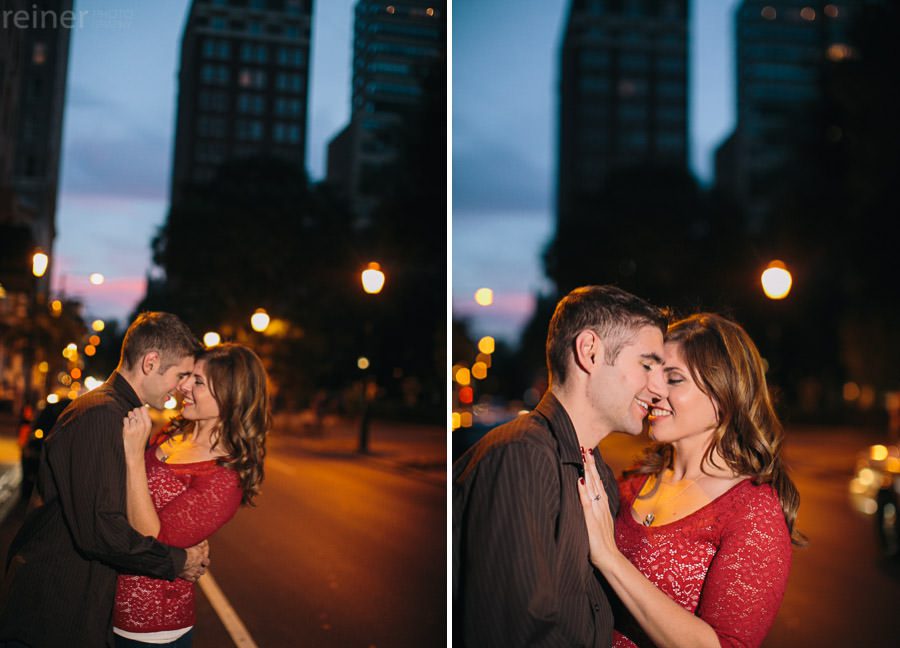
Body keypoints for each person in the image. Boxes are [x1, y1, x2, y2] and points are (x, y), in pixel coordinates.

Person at [453, 285, 669, 647]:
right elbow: (516, 634)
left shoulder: (596, 472)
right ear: (590, 352)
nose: (659, 389)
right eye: (646, 365)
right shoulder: (522, 457)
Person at [578, 313, 804, 648]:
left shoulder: (754, 512)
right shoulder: (631, 483)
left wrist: (610, 559)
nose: (653, 389)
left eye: (674, 379)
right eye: (651, 374)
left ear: (722, 395)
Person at [0, 312, 209, 648]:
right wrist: (177, 561)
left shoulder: (122, 414)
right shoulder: (102, 415)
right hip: (53, 614)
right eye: (181, 374)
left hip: (71, 611)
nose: (183, 386)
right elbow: (101, 531)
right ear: (151, 362)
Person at [112, 343, 270, 647]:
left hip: (149, 626)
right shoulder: (174, 432)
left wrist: (133, 455)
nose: (183, 386)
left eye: (197, 381)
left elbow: (152, 541)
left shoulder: (223, 477)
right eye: (187, 377)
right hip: (104, 603)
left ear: (229, 396)